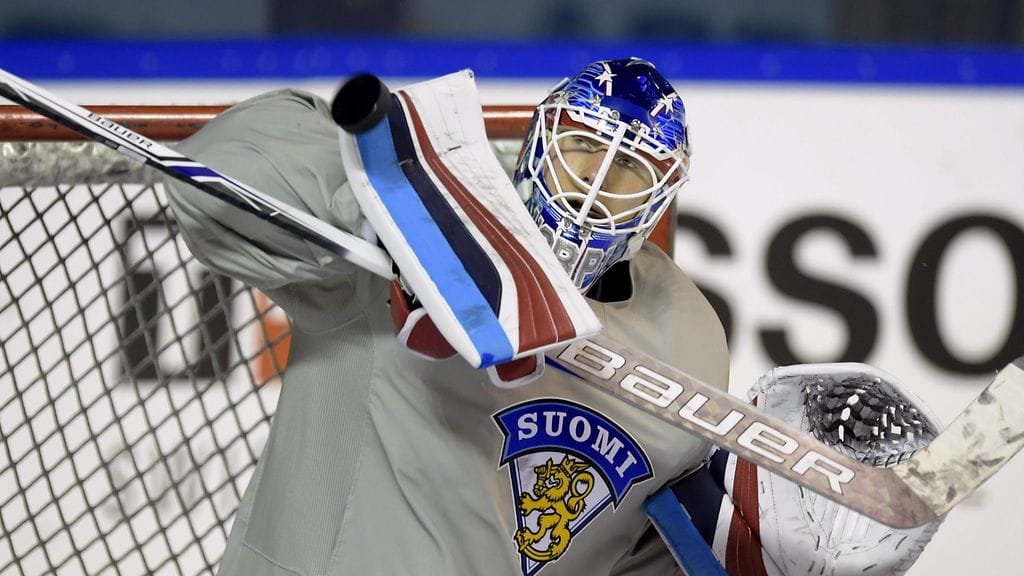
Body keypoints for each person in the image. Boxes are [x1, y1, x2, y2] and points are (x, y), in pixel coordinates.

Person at [163, 58, 938, 575]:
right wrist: (381, 217)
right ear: (538, 138)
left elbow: (632, 549)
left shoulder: (690, 339)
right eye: (580, 147)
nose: (594, 185)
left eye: (629, 168)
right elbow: (210, 180)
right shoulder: (399, 243)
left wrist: (775, 551)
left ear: (661, 199)